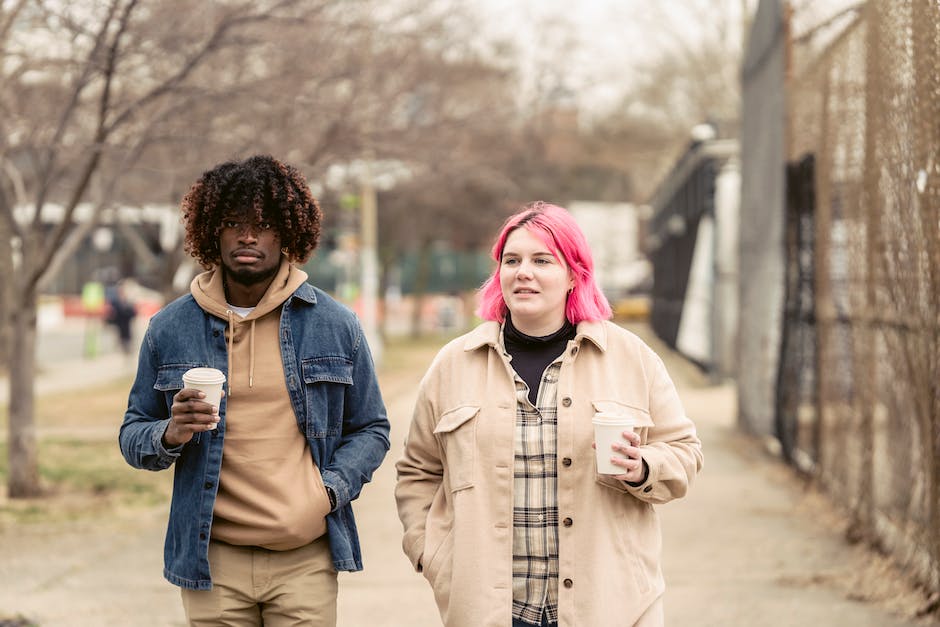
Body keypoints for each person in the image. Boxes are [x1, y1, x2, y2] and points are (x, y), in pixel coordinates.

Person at [395, 201, 703, 627]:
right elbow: (418, 472)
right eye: (512, 260)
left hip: (609, 606)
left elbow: (685, 451)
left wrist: (644, 466)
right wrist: (431, 551)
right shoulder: (453, 365)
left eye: (543, 260)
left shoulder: (631, 358)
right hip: (489, 610)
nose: (524, 272)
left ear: (574, 273)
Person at [119, 155, 390, 626]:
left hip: (304, 558)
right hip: (212, 563)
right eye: (232, 223)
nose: (248, 236)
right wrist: (171, 434)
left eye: (263, 224)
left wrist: (326, 492)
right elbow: (132, 434)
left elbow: (372, 429)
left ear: (287, 233)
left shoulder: (334, 324)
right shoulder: (169, 327)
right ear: (211, 232)